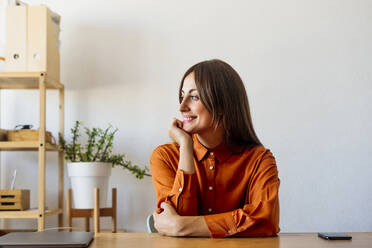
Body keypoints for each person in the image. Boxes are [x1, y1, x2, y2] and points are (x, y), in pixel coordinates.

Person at [150, 59, 280, 238]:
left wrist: (182, 226)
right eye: (182, 96)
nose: (182, 107)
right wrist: (186, 147)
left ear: (221, 105)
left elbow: (266, 220)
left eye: (194, 97)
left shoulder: (259, 159)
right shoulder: (164, 156)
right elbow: (174, 223)